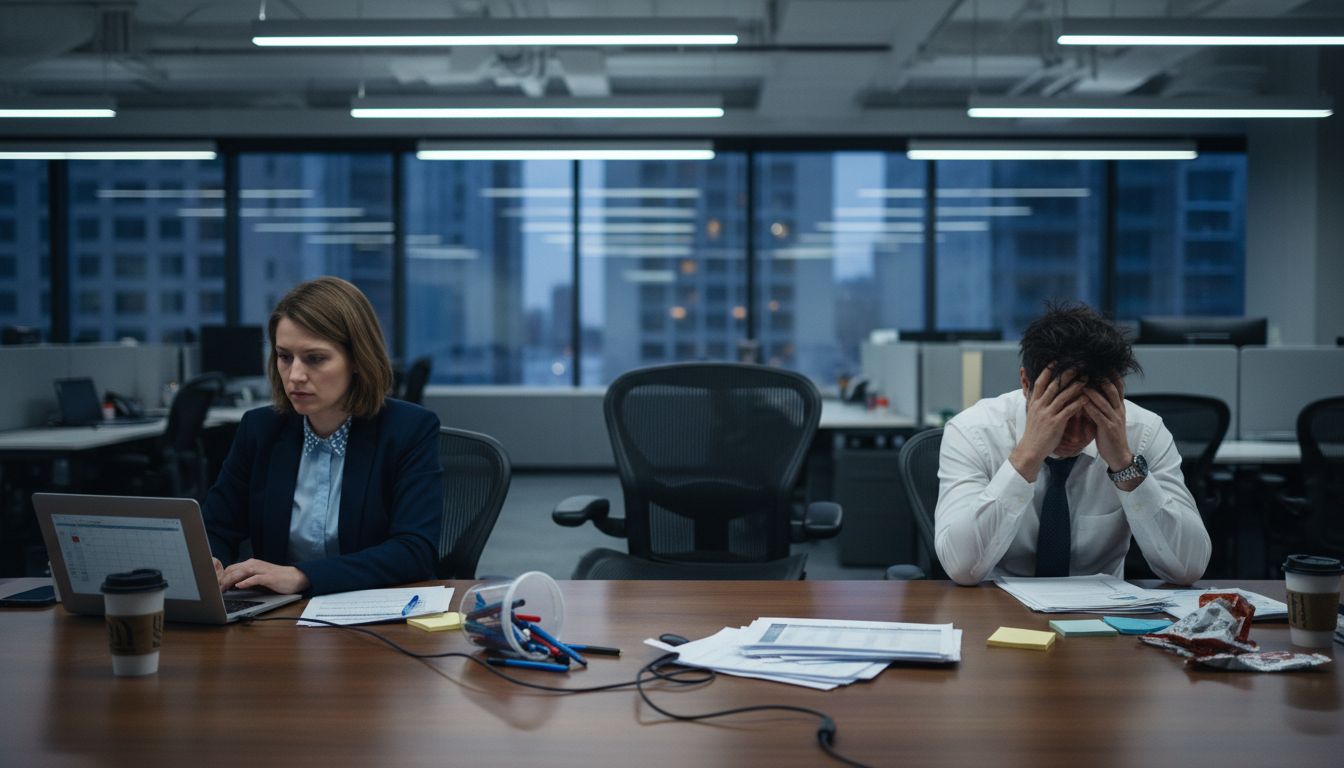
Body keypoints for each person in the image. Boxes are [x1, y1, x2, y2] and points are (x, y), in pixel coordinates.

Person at [934, 302, 1210, 586]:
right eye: (1062, 414)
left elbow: (1188, 568)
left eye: (1091, 417)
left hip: (1102, 614)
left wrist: (1126, 467)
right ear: (1026, 384)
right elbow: (961, 568)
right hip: (997, 612)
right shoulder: (973, 431)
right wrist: (1027, 457)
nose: (1077, 435)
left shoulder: (1144, 432)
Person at [204, 276, 443, 596]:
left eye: (315, 358)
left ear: (357, 359)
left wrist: (302, 576)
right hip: (276, 619)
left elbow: (414, 551)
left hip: (370, 614)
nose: (295, 375)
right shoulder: (259, 429)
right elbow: (215, 527)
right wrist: (211, 560)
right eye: (285, 357)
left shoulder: (408, 430)